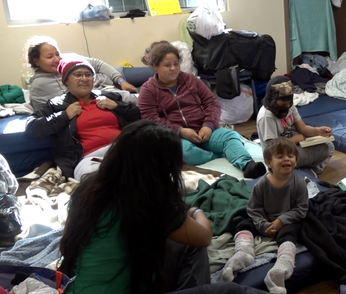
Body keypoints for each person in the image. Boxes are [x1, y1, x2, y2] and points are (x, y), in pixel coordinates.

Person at [58, 120, 270, 294]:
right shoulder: (148, 198)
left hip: (75, 289)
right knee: (229, 290)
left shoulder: (88, 188)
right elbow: (204, 236)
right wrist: (194, 210)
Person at [137, 42, 266, 178]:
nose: (173, 68)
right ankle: (219, 155)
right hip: (176, 136)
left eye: (176, 63)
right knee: (184, 151)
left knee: (230, 136)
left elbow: (212, 103)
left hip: (204, 130)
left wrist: (208, 126)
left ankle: (247, 165)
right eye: (167, 65)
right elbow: (149, 118)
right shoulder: (148, 89)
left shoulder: (190, 80)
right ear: (155, 66)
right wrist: (180, 131)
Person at [25, 58, 140, 180]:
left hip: (121, 149)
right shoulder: (56, 104)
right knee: (97, 179)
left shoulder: (107, 96)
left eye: (88, 75)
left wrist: (117, 106)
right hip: (88, 159)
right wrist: (64, 115)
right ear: (66, 81)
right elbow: (31, 127)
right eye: (78, 75)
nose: (84, 78)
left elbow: (137, 115)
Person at [221, 138, 307, 293]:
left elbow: (301, 209)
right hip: (264, 221)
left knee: (293, 231)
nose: (287, 159)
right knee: (242, 223)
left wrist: (282, 220)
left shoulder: (299, 183)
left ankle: (282, 266)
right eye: (280, 156)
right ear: (269, 162)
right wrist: (263, 224)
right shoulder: (262, 184)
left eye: (291, 155)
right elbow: (253, 208)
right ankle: (244, 253)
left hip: (286, 222)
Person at [25, 36, 138, 112]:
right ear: (36, 61)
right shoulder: (39, 84)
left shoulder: (68, 59)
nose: (56, 59)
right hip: (108, 89)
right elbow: (44, 113)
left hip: (116, 76)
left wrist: (120, 80)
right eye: (49, 57)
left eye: (57, 54)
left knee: (152, 71)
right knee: (149, 90)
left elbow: (98, 64)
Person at [256, 76, 334, 176]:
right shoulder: (266, 116)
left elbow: (303, 128)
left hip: (291, 146)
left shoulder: (290, 106)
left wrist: (318, 131)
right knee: (324, 150)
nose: (287, 105)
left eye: (289, 101)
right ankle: (301, 170)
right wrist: (294, 139)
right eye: (283, 102)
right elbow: (273, 148)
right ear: (273, 100)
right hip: (279, 154)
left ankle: (306, 170)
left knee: (329, 145)